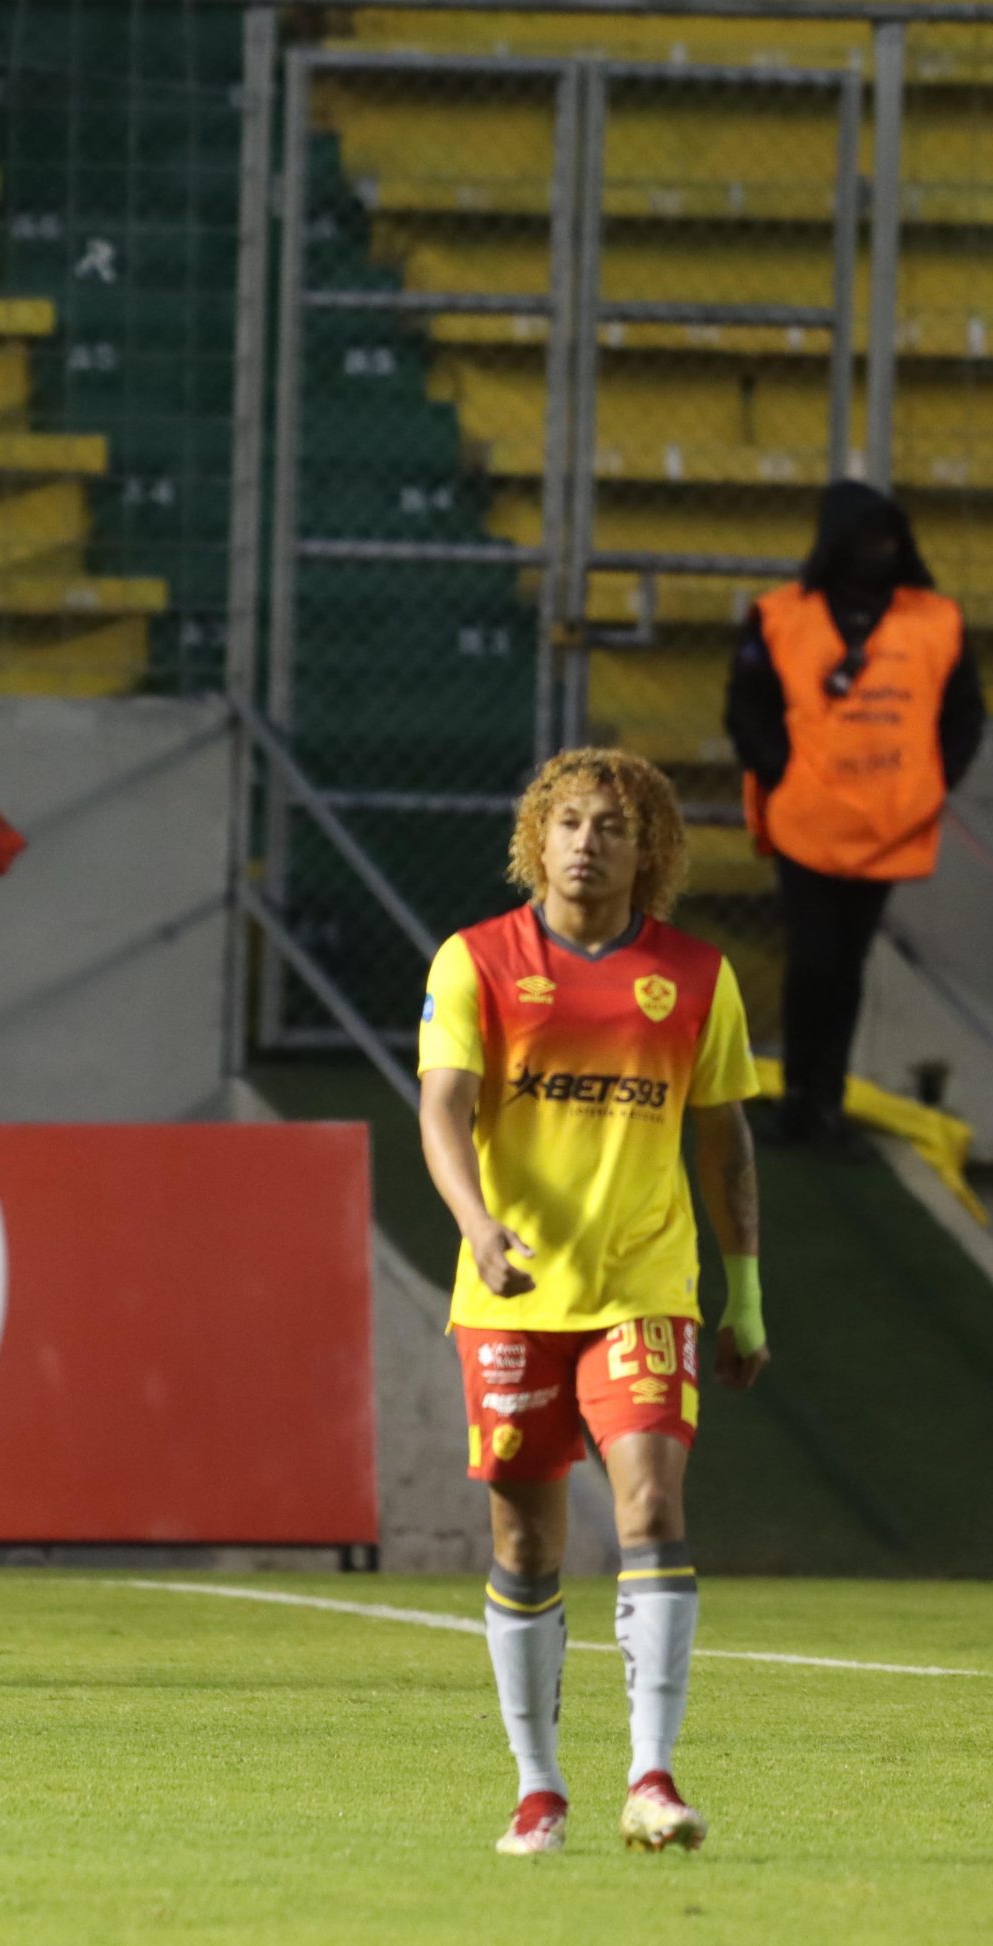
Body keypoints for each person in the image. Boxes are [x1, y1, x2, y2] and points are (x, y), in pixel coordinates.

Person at [416, 748, 771, 1856]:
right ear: (537, 837)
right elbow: (441, 1107)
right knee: (525, 1537)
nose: (585, 842)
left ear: (646, 848)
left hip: (644, 1285)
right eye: (567, 821)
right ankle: (539, 1789)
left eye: (611, 826)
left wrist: (746, 1293)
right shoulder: (476, 960)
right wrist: (478, 1226)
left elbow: (724, 1138)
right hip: (512, 1291)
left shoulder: (697, 977)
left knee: (651, 1506)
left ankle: (651, 1777)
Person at [726, 480, 984, 1145]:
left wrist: (932, 785)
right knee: (814, 959)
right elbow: (747, 706)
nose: (880, 550)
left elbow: (964, 714)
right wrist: (783, 772)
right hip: (807, 821)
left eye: (889, 538)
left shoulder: (936, 621)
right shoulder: (782, 616)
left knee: (847, 966)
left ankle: (825, 1102)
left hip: (891, 824)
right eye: (867, 537)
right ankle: (799, 1094)